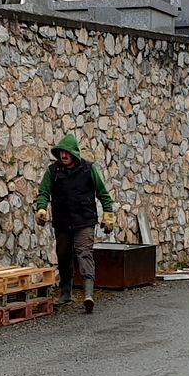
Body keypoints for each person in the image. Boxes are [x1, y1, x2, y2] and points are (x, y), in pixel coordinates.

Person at [34, 134, 116, 314]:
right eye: (61, 152)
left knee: (84, 253)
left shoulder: (88, 170)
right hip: (62, 222)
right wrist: (41, 208)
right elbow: (43, 192)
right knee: (63, 255)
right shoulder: (52, 172)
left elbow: (103, 193)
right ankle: (65, 293)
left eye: (66, 152)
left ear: (74, 153)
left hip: (84, 221)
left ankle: (88, 295)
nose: (63, 156)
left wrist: (108, 215)